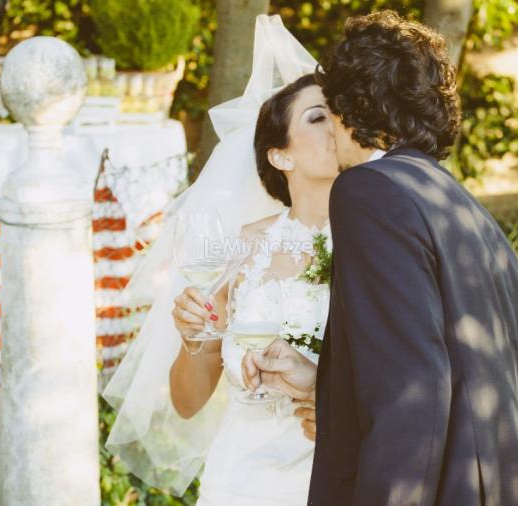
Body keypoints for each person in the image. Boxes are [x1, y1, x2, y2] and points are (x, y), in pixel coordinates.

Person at [243, 10, 518, 505]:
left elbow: (412, 401)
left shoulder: (368, 191)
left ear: (349, 107)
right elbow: (442, 364)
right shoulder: (468, 211)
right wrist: (326, 389)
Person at [102, 15, 334, 506]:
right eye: (317, 117)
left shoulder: (373, 243)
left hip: (334, 476)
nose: (336, 125)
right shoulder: (241, 251)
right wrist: (194, 341)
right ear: (280, 157)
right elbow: (187, 404)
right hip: (241, 482)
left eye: (339, 113)